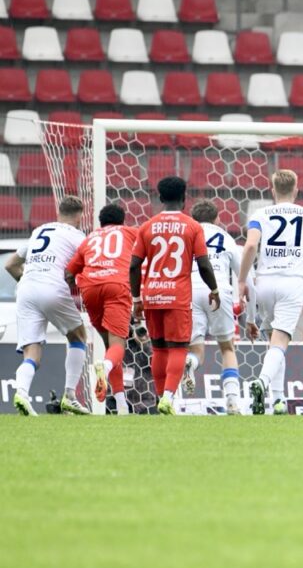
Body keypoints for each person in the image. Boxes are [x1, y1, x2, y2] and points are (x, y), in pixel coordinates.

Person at [238, 170, 303, 416]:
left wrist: (240, 282)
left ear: (272, 190)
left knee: (273, 343)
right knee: (280, 342)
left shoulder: (260, 214)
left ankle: (278, 400)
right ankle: (262, 382)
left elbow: (249, 246)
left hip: (264, 282)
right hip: (292, 284)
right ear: (296, 189)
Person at [129, 177, 221, 416]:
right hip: (177, 297)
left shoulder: (146, 227)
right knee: (178, 348)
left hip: (152, 295)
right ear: (184, 198)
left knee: (158, 349)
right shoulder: (192, 227)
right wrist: (214, 289)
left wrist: (137, 298)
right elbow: (203, 264)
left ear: (160, 198)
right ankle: (169, 398)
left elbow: (134, 265)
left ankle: (161, 399)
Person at [6, 196, 89, 416]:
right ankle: (70, 396)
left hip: (25, 289)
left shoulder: (39, 231)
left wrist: (30, 284)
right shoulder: (78, 236)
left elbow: (10, 264)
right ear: (80, 216)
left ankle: (22, 392)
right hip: (52, 286)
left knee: (32, 351)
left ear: (58, 212)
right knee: (78, 337)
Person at [66, 203, 138, 416]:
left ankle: (121, 405)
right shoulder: (129, 231)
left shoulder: (90, 239)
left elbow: (69, 274)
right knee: (118, 346)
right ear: (122, 220)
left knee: (110, 347)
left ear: (101, 222)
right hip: (116, 285)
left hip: (90, 288)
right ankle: (103, 369)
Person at [181, 199, 244, 415]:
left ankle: (190, 362)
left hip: (189, 291)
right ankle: (232, 401)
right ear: (217, 219)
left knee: (196, 349)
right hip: (217, 290)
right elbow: (243, 273)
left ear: (192, 219)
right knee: (227, 348)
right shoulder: (226, 237)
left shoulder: (186, 235)